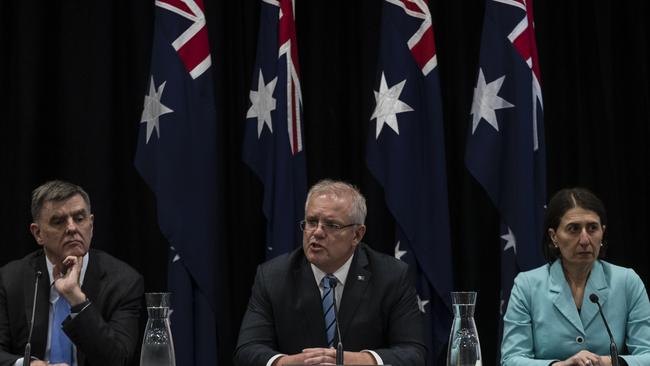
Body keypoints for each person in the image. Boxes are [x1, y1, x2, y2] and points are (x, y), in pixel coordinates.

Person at [234, 179, 425, 366]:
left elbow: (413, 353)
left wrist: (358, 361)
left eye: (332, 225)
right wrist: (286, 363)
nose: (316, 232)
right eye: (311, 222)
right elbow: (248, 349)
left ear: (357, 235)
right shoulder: (273, 276)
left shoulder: (391, 275)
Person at [0, 180, 144, 366]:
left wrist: (76, 299)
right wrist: (27, 364)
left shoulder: (123, 281)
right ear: (38, 234)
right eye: (58, 221)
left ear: (91, 225)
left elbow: (117, 360)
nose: (72, 228)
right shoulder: (11, 279)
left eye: (79, 218)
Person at [501, 187, 650, 366]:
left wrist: (603, 362)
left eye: (593, 228)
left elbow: (647, 354)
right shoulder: (527, 285)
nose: (585, 240)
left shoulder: (627, 281)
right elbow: (511, 359)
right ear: (553, 236)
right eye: (573, 229)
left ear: (602, 232)